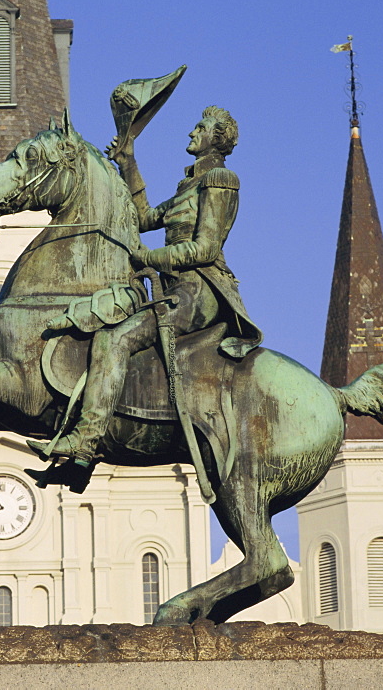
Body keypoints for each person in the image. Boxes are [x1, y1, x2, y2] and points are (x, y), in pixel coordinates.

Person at [28, 106, 262, 482]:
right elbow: (144, 218)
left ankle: (86, 441)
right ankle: (83, 464)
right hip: (173, 287)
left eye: (199, 128)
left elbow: (203, 249)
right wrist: (128, 161)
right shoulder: (189, 185)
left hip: (198, 289)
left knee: (114, 339)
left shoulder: (220, 179)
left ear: (216, 139)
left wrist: (147, 256)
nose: (191, 132)